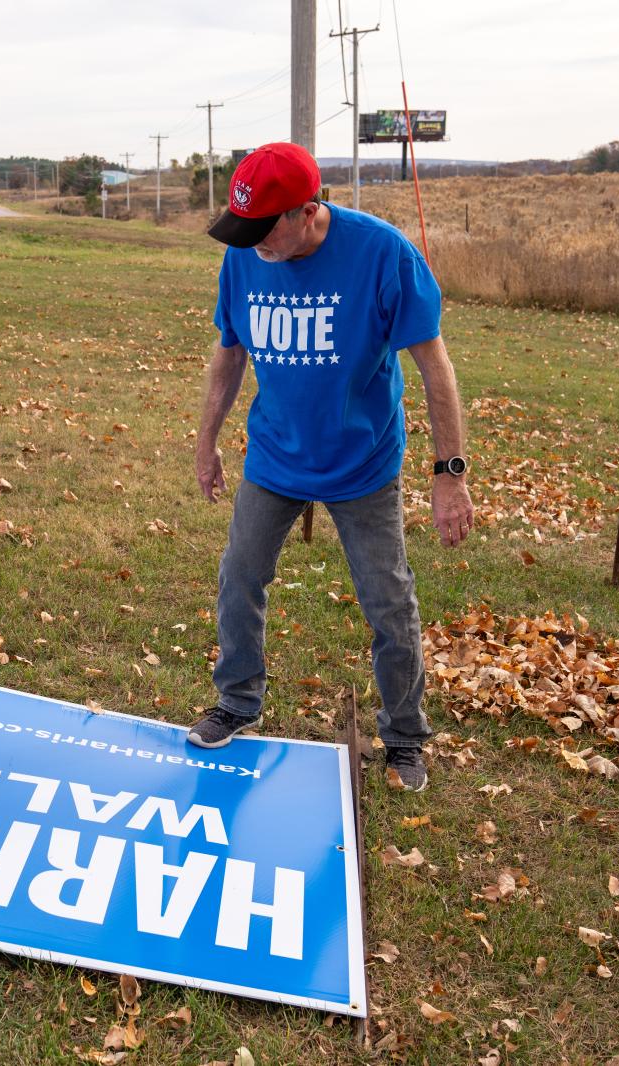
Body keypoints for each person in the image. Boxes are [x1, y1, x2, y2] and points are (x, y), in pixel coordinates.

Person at [188, 141, 474, 793]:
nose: (250, 244)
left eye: (263, 230)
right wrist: (206, 441)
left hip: (361, 460)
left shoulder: (382, 254)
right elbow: (229, 355)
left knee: (388, 600)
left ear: (305, 212)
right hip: (276, 455)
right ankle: (237, 701)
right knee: (239, 577)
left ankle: (404, 735)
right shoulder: (244, 257)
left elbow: (434, 366)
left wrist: (448, 473)